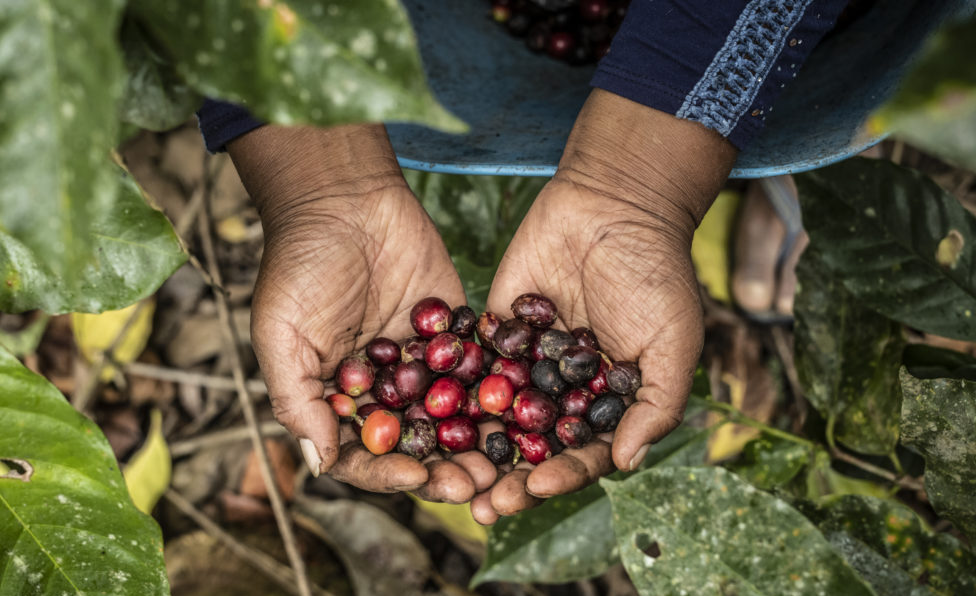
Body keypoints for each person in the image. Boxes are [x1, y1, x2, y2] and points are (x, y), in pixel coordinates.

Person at [197, 0, 852, 524]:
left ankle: (806, 123)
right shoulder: (499, 381)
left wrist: (646, 181)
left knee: (824, 54)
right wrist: (317, 183)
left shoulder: (504, 379)